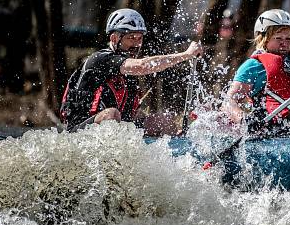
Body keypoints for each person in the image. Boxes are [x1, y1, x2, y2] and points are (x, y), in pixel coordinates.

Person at [60, 8, 203, 134]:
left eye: (139, 38)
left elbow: (131, 115)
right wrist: (185, 55)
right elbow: (142, 66)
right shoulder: (100, 59)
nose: (136, 44)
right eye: (131, 38)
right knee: (111, 114)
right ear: (114, 38)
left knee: (164, 121)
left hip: (116, 132)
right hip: (79, 132)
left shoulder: (127, 74)